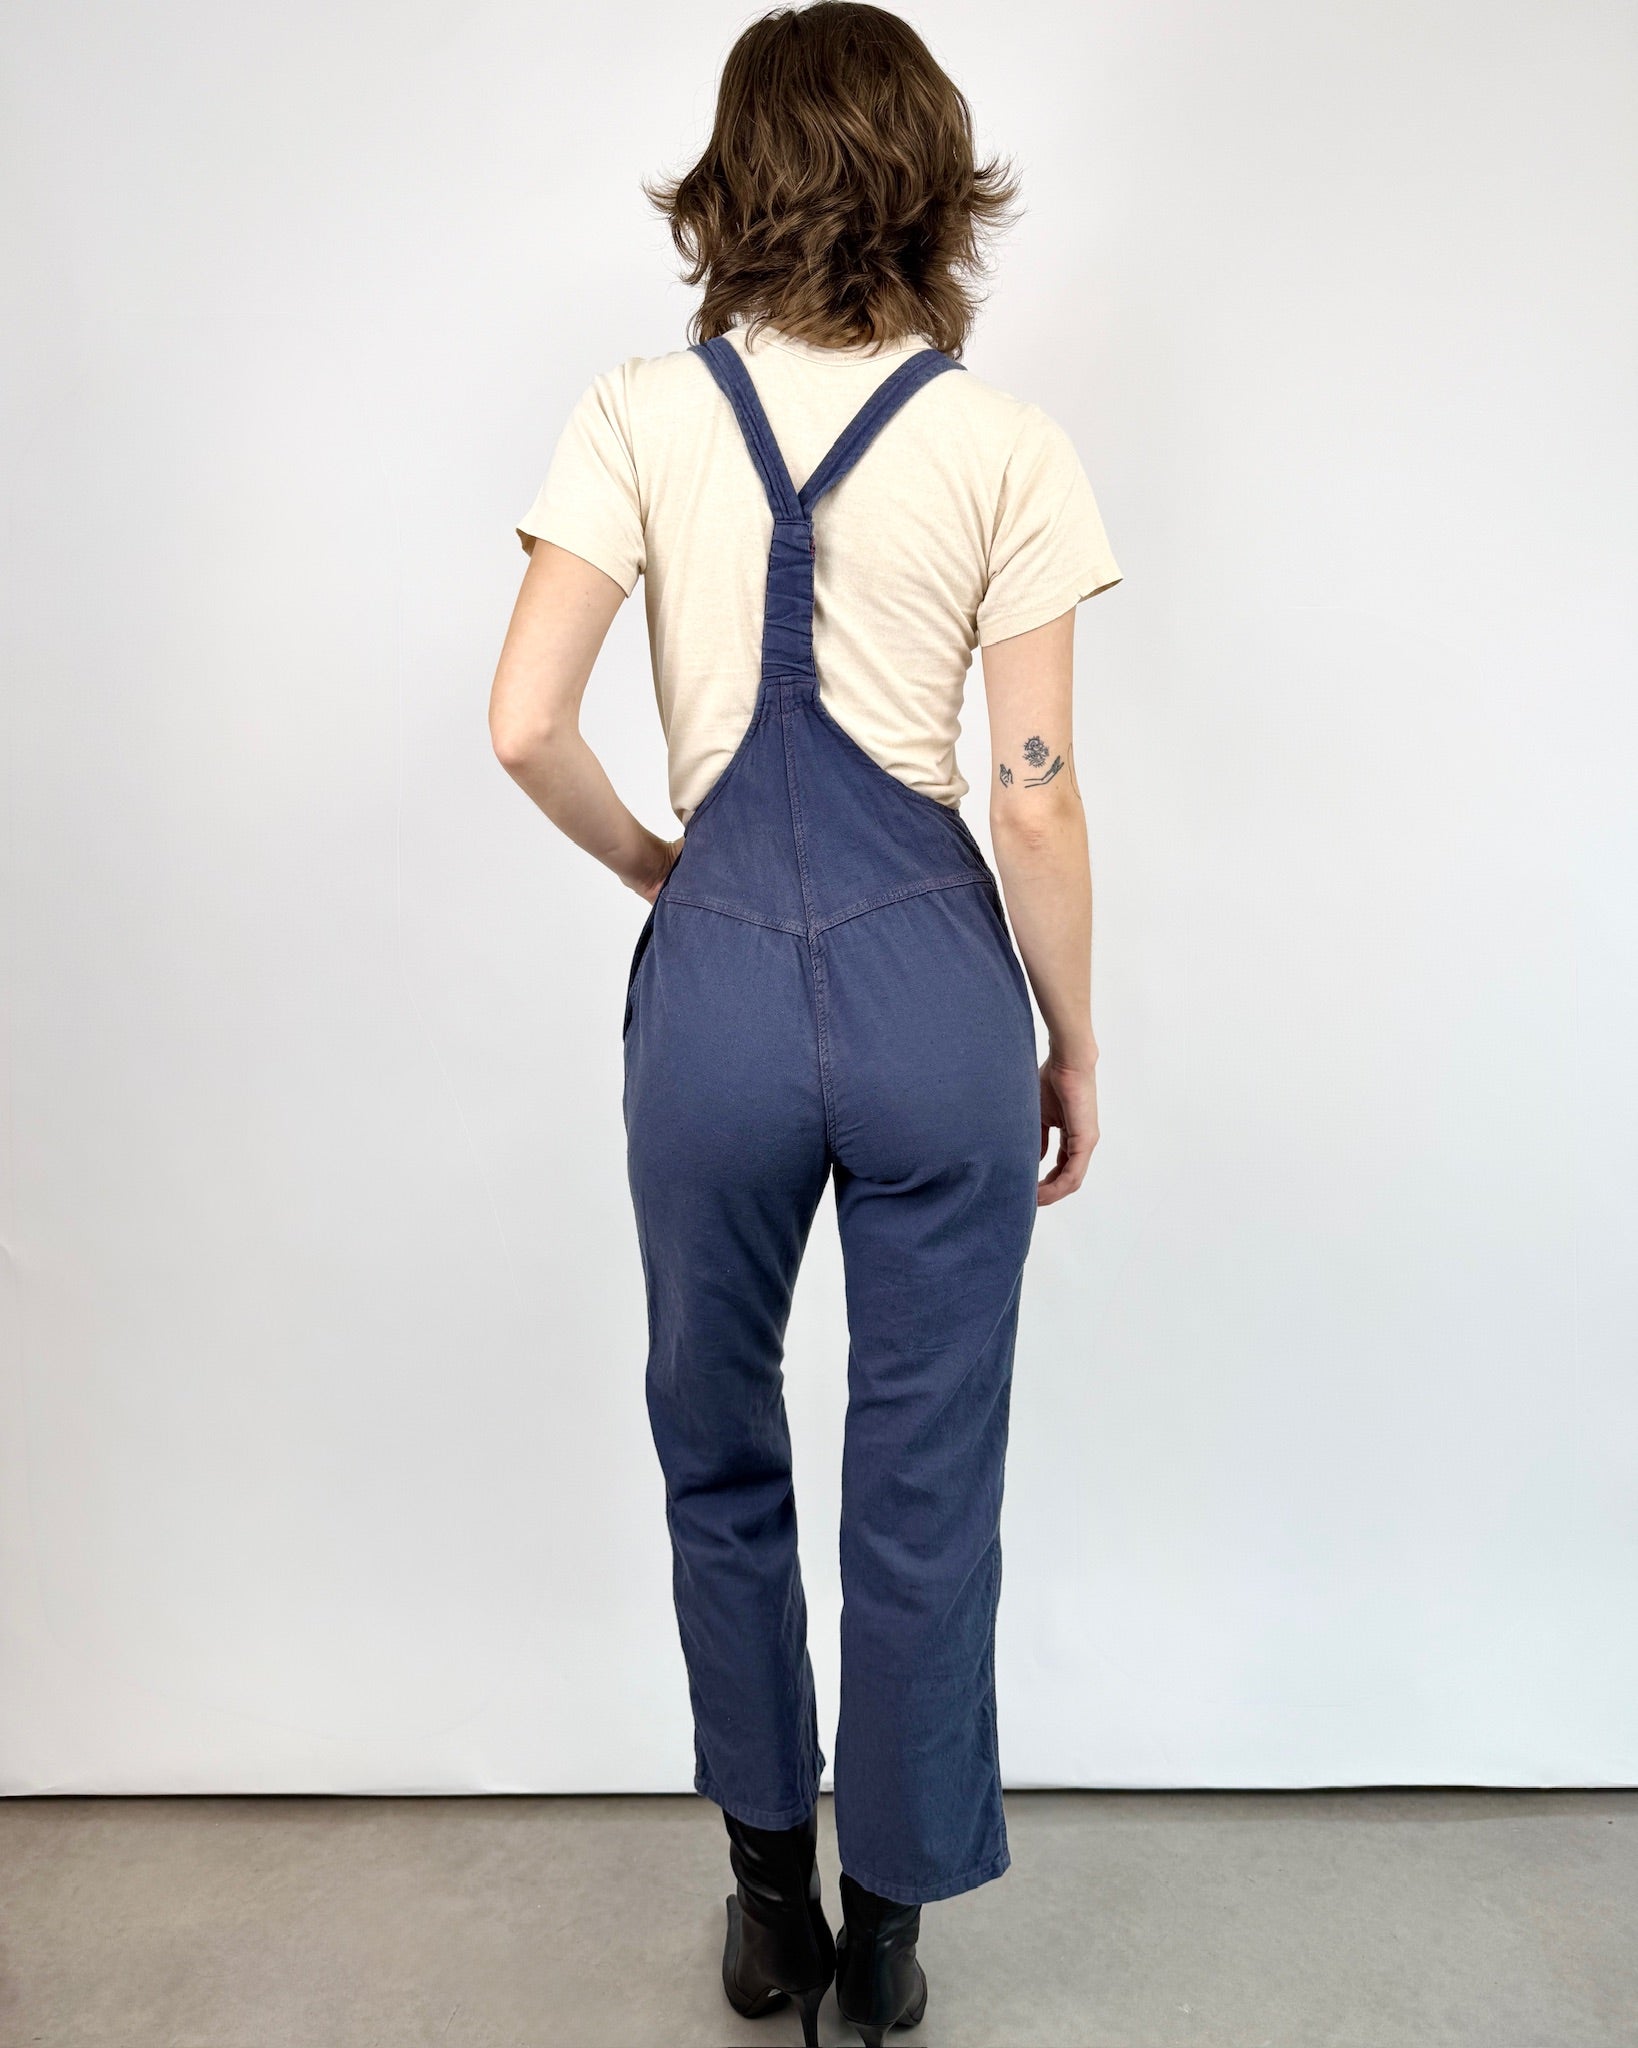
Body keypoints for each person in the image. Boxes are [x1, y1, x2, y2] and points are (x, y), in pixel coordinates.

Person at [489, 5, 1120, 2039]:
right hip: (938, 988)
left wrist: (653, 869)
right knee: (925, 1475)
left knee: (717, 1436)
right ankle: (894, 1935)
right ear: (934, 181)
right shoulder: (1005, 444)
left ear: (729, 181)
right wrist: (1068, 1035)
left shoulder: (633, 416)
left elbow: (524, 722)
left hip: (719, 996)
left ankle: (770, 1906)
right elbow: (1031, 791)